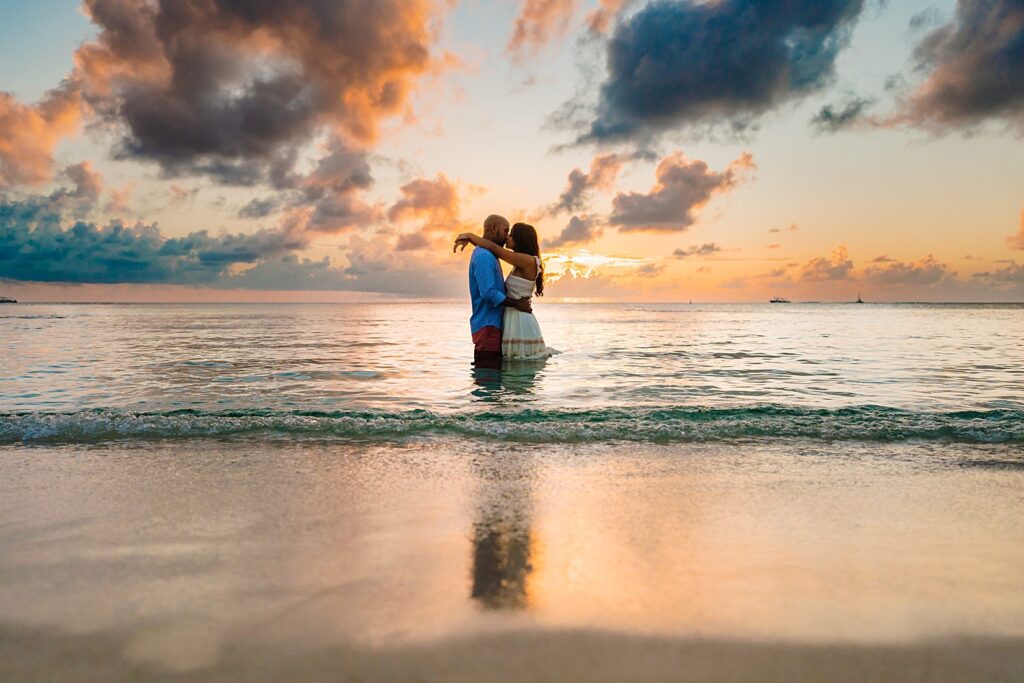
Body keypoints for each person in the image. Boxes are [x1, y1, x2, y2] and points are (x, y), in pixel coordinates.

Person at [455, 222, 555, 361]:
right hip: (512, 317)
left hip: (519, 320)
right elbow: (489, 250)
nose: (508, 237)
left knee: (519, 369)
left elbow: (493, 247)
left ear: (520, 239)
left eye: (511, 235)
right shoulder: (520, 261)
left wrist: (470, 235)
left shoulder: (527, 260)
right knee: (513, 370)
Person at [457, 215, 533, 368]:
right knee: (488, 381)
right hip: (488, 326)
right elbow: (489, 293)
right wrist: (517, 304)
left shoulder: (491, 254)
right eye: (506, 231)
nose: (507, 236)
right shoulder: (484, 256)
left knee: (492, 378)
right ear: (494, 228)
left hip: (492, 326)